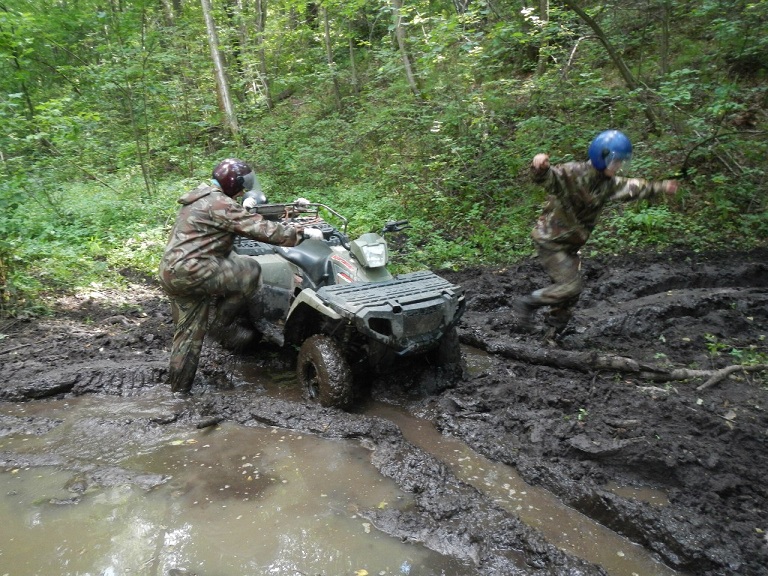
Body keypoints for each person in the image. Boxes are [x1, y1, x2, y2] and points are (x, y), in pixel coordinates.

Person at [158, 158, 317, 394]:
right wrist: (301, 233)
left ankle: (179, 393)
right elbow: (261, 229)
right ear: (234, 183)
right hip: (194, 271)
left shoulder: (198, 199)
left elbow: (239, 221)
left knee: (187, 338)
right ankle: (222, 325)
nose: (243, 191)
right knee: (250, 270)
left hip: (172, 273)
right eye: (242, 186)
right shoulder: (220, 203)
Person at [513, 130, 679, 339]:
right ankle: (528, 303)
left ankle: (551, 334)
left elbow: (633, 187)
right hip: (551, 241)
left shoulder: (608, 183)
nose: (618, 166)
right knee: (570, 286)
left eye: (620, 162)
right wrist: (540, 167)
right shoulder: (573, 173)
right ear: (602, 158)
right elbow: (551, 178)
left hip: (570, 244)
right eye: (615, 161)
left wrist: (662, 187)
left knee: (570, 296)